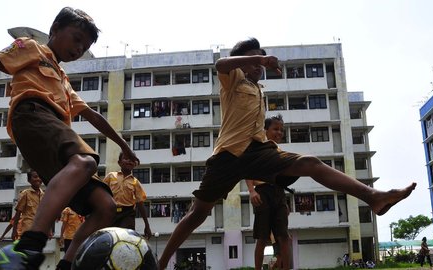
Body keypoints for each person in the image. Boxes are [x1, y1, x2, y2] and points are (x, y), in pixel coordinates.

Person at [157, 37, 417, 269]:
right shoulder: (232, 79)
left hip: (259, 152)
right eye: (252, 59)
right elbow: (221, 64)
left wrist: (261, 63)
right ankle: (159, 264)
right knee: (198, 214)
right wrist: (260, 58)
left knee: (310, 163)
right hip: (228, 156)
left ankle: (373, 197)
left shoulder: (259, 90)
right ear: (243, 63)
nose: (258, 65)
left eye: (260, 60)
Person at [0, 7, 139, 270]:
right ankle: (28, 246)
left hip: (52, 135)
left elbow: (93, 116)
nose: (78, 48)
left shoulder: (64, 81)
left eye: (84, 46)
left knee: (105, 206)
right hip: (31, 115)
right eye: (76, 38)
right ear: (55, 29)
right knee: (85, 162)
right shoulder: (31, 47)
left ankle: (67, 265)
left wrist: (124, 144)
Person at [246, 114, 292, 270]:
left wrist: (285, 204)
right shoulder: (258, 147)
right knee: (263, 237)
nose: (279, 132)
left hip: (278, 193)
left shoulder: (279, 151)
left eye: (281, 130)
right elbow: (248, 170)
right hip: (262, 193)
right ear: (265, 130)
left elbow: (281, 179)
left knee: (284, 236)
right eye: (275, 129)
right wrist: (252, 191)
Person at [103, 153, 152, 239]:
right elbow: (102, 193)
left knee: (126, 237)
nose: (129, 161)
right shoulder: (111, 176)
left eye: (132, 160)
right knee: (110, 237)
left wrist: (147, 225)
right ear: (119, 162)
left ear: (135, 164)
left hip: (127, 213)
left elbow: (140, 204)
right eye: (126, 158)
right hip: (111, 212)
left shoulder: (135, 182)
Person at [13, 171, 44, 241]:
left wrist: (49, 229)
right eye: (35, 177)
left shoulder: (44, 195)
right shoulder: (25, 194)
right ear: (29, 180)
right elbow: (18, 213)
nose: (38, 179)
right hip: (28, 229)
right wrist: (14, 231)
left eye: (39, 177)